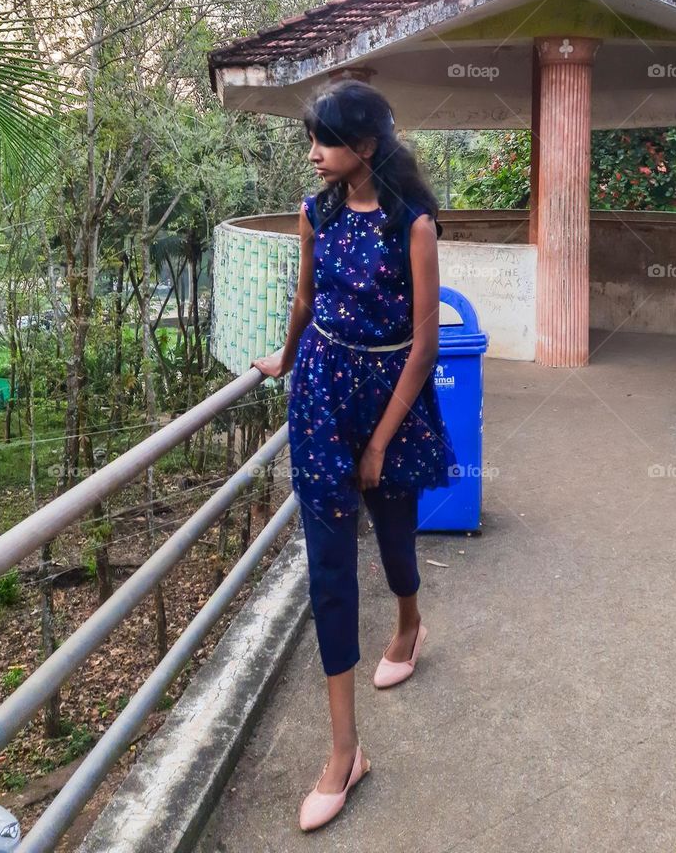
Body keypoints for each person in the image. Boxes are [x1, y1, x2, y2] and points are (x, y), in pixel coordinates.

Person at [252, 78, 457, 832]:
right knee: (330, 569)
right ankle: (345, 752)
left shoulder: (415, 226)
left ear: (365, 147)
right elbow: (305, 304)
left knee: (397, 542)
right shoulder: (314, 215)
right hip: (318, 398)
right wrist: (283, 357)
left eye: (325, 140)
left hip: (391, 400)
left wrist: (378, 442)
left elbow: (428, 344)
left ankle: (409, 621)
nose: (313, 154)